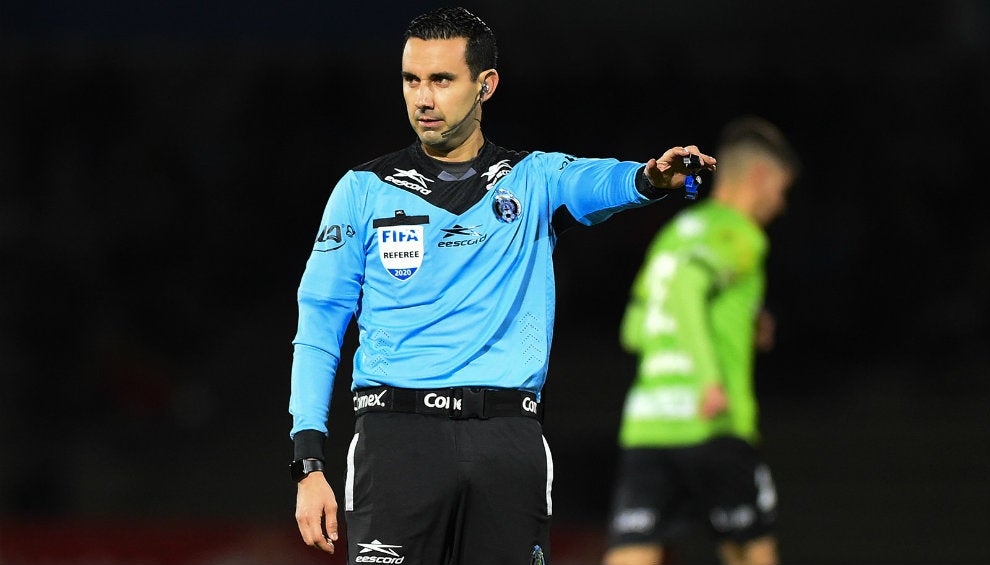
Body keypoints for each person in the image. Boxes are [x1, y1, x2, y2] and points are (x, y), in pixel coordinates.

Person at [287, 7, 716, 565]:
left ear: (485, 85)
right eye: (411, 79)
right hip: (396, 439)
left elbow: (602, 181)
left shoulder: (534, 179)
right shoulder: (361, 190)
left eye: (441, 80)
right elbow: (320, 323)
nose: (422, 97)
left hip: (507, 440)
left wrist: (650, 178)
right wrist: (308, 463)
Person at [602, 115, 799, 565]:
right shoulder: (740, 234)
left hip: (650, 423)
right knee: (752, 553)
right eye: (781, 190)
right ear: (760, 177)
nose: (780, 204)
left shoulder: (674, 234)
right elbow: (690, 286)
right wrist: (710, 379)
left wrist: (740, 325)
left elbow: (633, 330)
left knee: (632, 553)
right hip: (713, 422)